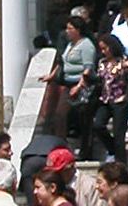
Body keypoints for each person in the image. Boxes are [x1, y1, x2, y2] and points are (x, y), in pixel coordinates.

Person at [40, 15, 98, 159]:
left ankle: (86, 151)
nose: (67, 31)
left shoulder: (86, 45)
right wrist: (52, 76)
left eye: (70, 28)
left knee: (83, 120)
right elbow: (62, 62)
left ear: (78, 30)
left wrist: (79, 87)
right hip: (68, 83)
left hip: (82, 85)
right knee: (59, 115)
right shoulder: (70, 44)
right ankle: (61, 146)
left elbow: (88, 68)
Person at [92, 33, 128, 165]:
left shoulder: (123, 60)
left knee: (119, 135)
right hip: (105, 99)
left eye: (105, 49)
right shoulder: (101, 62)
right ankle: (112, 150)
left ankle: (121, 163)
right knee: (98, 125)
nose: (103, 52)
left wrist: (126, 66)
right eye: (101, 49)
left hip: (120, 100)